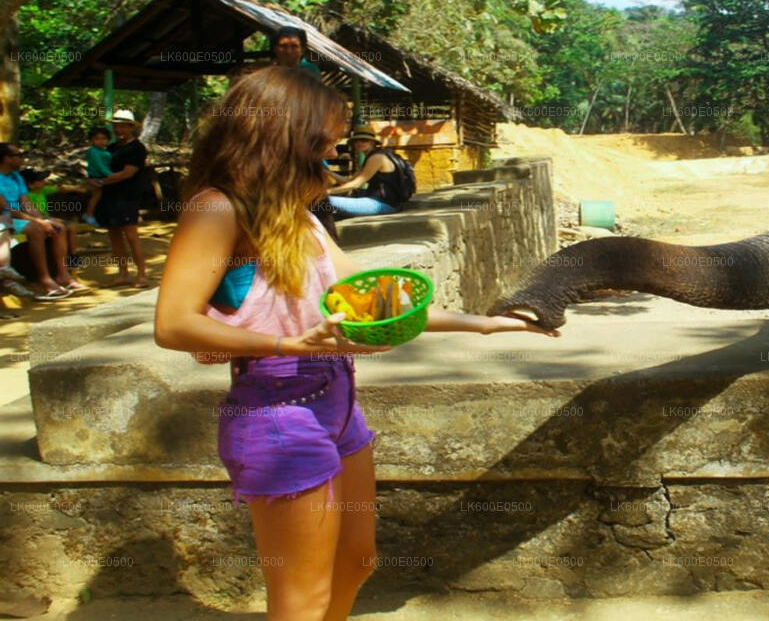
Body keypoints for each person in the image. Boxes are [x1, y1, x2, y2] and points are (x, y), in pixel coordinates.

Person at [153, 65, 558, 621]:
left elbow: (368, 303)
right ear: (280, 137)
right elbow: (173, 324)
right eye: (322, 145)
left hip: (338, 402)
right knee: (302, 598)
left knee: (358, 560)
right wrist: (288, 344)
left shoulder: (301, 219)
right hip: (277, 409)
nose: (332, 159)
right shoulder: (217, 209)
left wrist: (487, 323)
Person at [0, 143, 85, 299]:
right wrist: (38, 222)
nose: (21, 158)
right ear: (6, 158)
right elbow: (7, 209)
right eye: (18, 155)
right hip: (5, 218)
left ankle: (63, 275)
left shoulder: (16, 177)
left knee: (58, 227)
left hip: (19, 217)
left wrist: (44, 219)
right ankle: (45, 279)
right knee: (36, 229)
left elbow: (26, 203)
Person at [91, 109, 150, 288]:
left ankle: (142, 274)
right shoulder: (111, 148)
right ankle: (122, 273)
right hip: (110, 196)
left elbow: (127, 173)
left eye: (123, 126)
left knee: (131, 236)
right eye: (116, 126)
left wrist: (102, 181)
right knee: (114, 236)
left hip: (127, 197)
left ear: (130, 127)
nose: (119, 129)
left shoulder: (137, 148)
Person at [326, 125, 410, 218]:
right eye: (356, 141)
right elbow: (349, 181)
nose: (359, 143)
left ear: (373, 143)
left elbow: (355, 185)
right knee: (323, 206)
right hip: (378, 201)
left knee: (321, 202)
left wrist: (326, 192)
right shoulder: (371, 156)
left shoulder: (377, 158)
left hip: (382, 204)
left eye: (364, 140)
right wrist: (328, 172)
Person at [83, 126, 112, 225]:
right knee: (96, 196)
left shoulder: (105, 151)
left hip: (104, 176)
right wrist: (112, 175)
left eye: (103, 139)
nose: (101, 141)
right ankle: (89, 215)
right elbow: (100, 166)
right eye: (97, 139)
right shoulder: (93, 151)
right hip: (96, 177)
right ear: (92, 140)